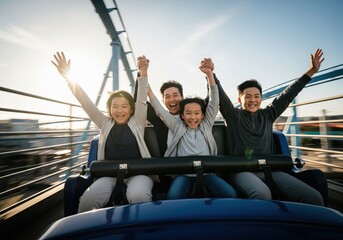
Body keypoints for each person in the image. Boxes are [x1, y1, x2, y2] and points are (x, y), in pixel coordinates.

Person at [203, 49, 325, 206]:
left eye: (256, 96)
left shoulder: (268, 114)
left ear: (261, 98)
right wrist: (210, 74)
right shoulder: (233, 116)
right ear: (239, 100)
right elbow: (218, 92)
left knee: (313, 197)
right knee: (262, 195)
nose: (252, 100)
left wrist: (311, 71)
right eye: (247, 96)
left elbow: (288, 94)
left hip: (271, 170)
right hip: (242, 171)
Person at [52, 52, 155, 213]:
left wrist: (144, 73)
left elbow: (142, 97)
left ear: (131, 109)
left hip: (138, 173)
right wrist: (67, 76)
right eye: (115, 106)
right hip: (108, 174)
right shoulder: (104, 123)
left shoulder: (137, 122)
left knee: (139, 196)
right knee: (88, 200)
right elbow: (84, 101)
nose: (119, 110)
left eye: (124, 106)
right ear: (109, 109)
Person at [148, 58, 237, 199]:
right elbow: (158, 108)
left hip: (207, 174)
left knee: (230, 194)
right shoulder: (176, 125)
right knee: (173, 196)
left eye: (197, 113)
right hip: (184, 175)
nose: (193, 117)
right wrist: (145, 81)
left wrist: (209, 75)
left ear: (203, 115)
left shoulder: (206, 124)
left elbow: (214, 100)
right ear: (182, 115)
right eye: (188, 113)